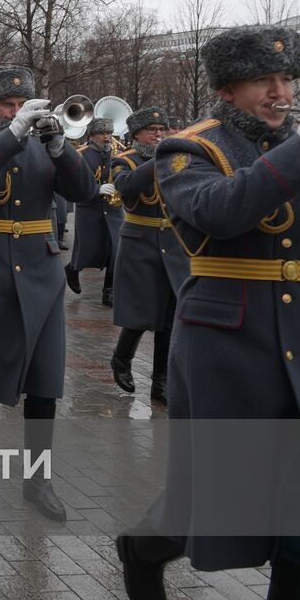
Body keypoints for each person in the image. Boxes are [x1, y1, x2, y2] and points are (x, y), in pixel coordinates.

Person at [117, 26, 300, 600]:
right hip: (229, 344)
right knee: (216, 503)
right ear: (227, 88)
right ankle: (143, 548)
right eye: (263, 81)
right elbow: (221, 210)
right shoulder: (188, 149)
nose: (280, 91)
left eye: (287, 80)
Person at [0, 65, 96, 523]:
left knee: (44, 376)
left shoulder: (48, 144)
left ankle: (38, 480)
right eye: (8, 105)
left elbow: (85, 190)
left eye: (22, 104)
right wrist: (13, 132)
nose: (18, 111)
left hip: (40, 260)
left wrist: (59, 146)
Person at [107, 106, 182, 403]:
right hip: (140, 240)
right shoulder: (123, 160)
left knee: (170, 316)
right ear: (137, 133)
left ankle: (161, 380)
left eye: (162, 130)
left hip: (173, 244)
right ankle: (121, 358)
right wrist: (157, 162)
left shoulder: (176, 161)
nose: (159, 135)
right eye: (153, 131)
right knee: (141, 312)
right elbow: (125, 186)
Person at [66, 117, 124, 306]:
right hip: (89, 208)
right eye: (102, 133)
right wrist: (96, 189)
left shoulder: (118, 154)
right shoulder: (81, 154)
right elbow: (74, 183)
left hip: (113, 208)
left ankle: (109, 290)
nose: (107, 137)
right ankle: (73, 269)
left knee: (116, 248)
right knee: (87, 249)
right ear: (92, 135)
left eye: (109, 133)